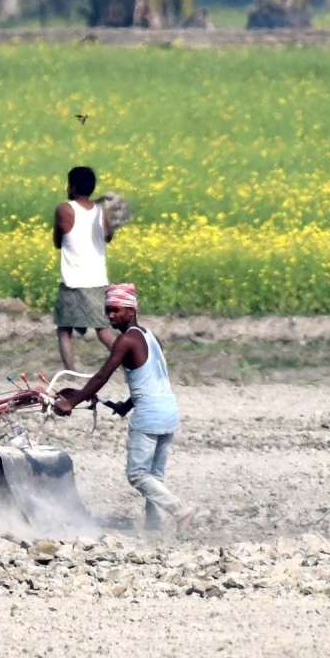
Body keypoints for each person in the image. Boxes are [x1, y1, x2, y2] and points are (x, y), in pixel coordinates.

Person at [53, 283, 197, 534]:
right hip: (168, 410)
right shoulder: (150, 336)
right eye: (108, 310)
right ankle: (154, 523)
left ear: (131, 311)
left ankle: (179, 510)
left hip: (149, 415)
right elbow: (148, 377)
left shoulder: (126, 339)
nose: (110, 316)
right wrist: (124, 405)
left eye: (116, 310)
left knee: (138, 475)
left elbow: (102, 376)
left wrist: (71, 402)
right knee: (155, 476)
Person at [53, 165, 115, 371]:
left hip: (73, 281)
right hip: (97, 279)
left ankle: (71, 373)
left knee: (64, 330)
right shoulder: (101, 211)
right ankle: (132, 364)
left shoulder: (64, 210)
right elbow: (108, 236)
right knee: (103, 331)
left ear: (72, 187)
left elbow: (57, 241)